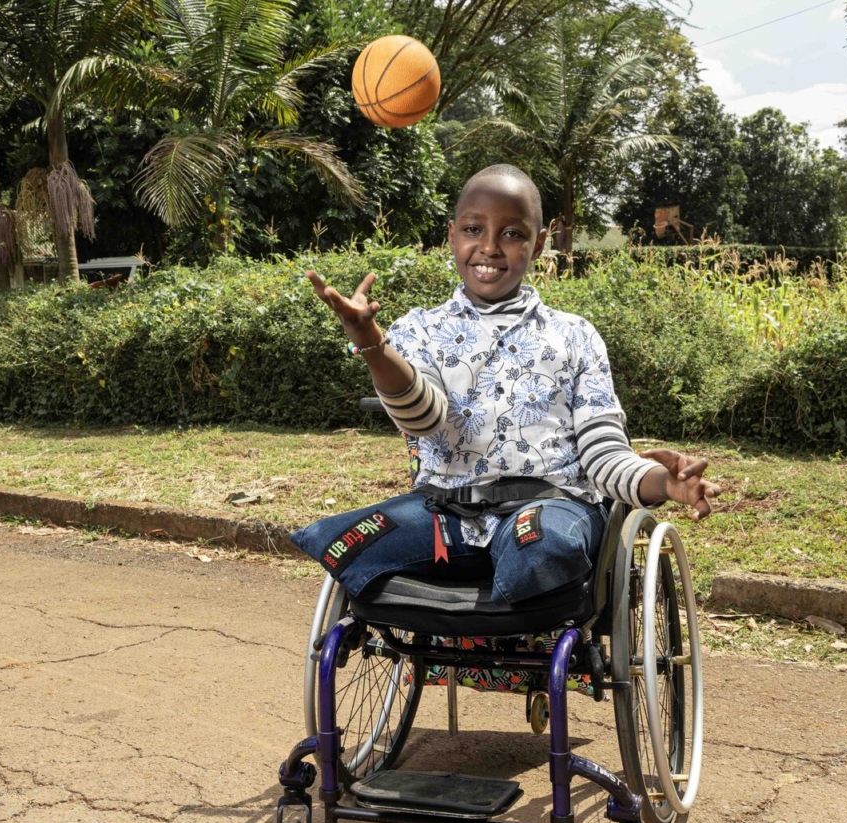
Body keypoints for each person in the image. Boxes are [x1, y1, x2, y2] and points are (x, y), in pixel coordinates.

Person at [292, 164, 719, 604]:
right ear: (452, 236)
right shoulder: (418, 330)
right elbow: (424, 417)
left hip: (547, 510)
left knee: (543, 547)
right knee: (343, 541)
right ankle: (493, 608)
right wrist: (373, 345)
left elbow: (604, 453)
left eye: (512, 234)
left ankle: (496, 613)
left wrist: (665, 484)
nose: (490, 247)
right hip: (443, 514)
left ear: (538, 244)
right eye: (474, 229)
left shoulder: (573, 336)